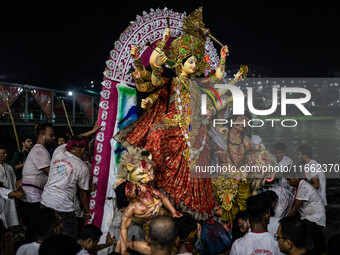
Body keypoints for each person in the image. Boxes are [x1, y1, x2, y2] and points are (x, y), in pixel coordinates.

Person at [114, 7, 230, 220]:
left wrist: (222, 58)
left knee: (202, 154)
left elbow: (217, 78)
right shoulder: (172, 80)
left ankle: (195, 204)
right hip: (173, 121)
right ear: (180, 63)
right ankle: (157, 183)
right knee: (156, 134)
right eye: (190, 62)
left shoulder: (198, 83)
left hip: (194, 125)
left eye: (196, 62)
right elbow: (154, 83)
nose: (194, 66)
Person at [41, 136, 90, 239]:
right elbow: (82, 193)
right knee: (69, 237)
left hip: (46, 201)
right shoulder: (82, 167)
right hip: (64, 206)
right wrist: (86, 212)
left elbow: (73, 141)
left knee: (47, 233)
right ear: (83, 149)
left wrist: (91, 132)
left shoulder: (58, 151)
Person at [114, 180, 181, 255]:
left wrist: (174, 212)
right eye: (130, 191)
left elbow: (162, 197)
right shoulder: (130, 209)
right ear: (127, 199)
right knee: (160, 249)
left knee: (177, 238)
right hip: (152, 227)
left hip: (166, 217)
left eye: (132, 185)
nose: (134, 188)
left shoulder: (145, 189)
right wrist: (123, 250)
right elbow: (124, 227)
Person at [20, 123, 55, 242]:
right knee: (35, 232)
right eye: (51, 135)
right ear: (42, 135)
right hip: (32, 198)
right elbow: (50, 173)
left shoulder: (40, 150)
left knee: (32, 232)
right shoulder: (40, 151)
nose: (53, 138)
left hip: (33, 197)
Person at [286, 176, 327, 255]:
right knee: (318, 236)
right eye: (286, 180)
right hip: (312, 215)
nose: (288, 182)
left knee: (297, 232)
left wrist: (281, 224)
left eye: (289, 179)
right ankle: (323, 251)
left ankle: (300, 252)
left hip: (315, 217)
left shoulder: (303, 187)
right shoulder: (299, 185)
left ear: (296, 177)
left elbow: (293, 210)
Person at [0, 145, 19, 228]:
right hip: (1, 197)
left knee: (11, 215)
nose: (5, 155)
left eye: (6, 153)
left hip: (10, 195)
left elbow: (14, 181)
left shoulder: (8, 167)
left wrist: (15, 195)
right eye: (3, 154)